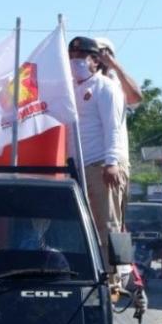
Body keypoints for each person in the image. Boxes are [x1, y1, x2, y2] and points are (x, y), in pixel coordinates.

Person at [68, 35, 129, 274]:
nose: (76, 61)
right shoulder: (71, 87)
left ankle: (111, 279)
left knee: (108, 225)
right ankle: (90, 273)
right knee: (84, 226)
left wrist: (112, 162)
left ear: (95, 60)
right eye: (72, 57)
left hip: (101, 166)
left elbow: (112, 127)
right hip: (77, 168)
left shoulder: (105, 86)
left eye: (81, 57)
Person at [93, 37, 143, 107]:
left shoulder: (117, 82)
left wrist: (116, 67)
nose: (96, 57)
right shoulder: (82, 79)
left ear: (110, 56)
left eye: (99, 52)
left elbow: (134, 98)